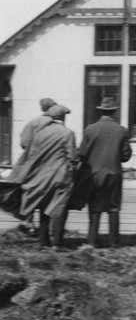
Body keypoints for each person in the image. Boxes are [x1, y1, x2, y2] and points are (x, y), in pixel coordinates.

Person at [19, 105, 76, 249]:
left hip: (42, 176)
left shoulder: (39, 133)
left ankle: (43, 242)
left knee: (43, 207)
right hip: (59, 176)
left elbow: (31, 153)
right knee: (59, 208)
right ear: (62, 117)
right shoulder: (67, 133)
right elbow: (72, 157)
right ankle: (57, 243)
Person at [79, 97, 132, 247]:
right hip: (114, 173)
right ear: (114, 112)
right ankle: (114, 243)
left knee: (95, 209)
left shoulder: (90, 129)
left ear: (100, 111)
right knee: (113, 209)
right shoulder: (122, 131)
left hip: (94, 174)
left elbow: (82, 154)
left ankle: (91, 242)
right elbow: (125, 156)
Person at [12, 97, 57, 234]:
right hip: (50, 163)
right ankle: (47, 227)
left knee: (30, 190)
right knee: (48, 192)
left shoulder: (33, 123)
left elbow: (24, 142)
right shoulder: (54, 124)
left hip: (32, 162)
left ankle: (28, 221)